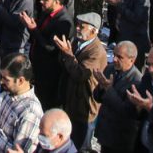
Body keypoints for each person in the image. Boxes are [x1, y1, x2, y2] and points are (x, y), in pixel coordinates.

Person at [56, 12, 108, 152]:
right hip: (71, 103)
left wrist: (68, 54)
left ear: (93, 30)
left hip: (84, 107)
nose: (77, 28)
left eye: (82, 26)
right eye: (77, 25)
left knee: (80, 146)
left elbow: (80, 74)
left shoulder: (96, 52)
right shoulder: (77, 42)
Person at [91, 41, 141, 153]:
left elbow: (126, 111)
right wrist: (101, 86)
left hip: (120, 140)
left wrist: (108, 89)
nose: (114, 59)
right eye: (114, 55)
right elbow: (97, 97)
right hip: (105, 134)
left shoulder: (136, 81)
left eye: (119, 57)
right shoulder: (110, 69)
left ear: (131, 60)